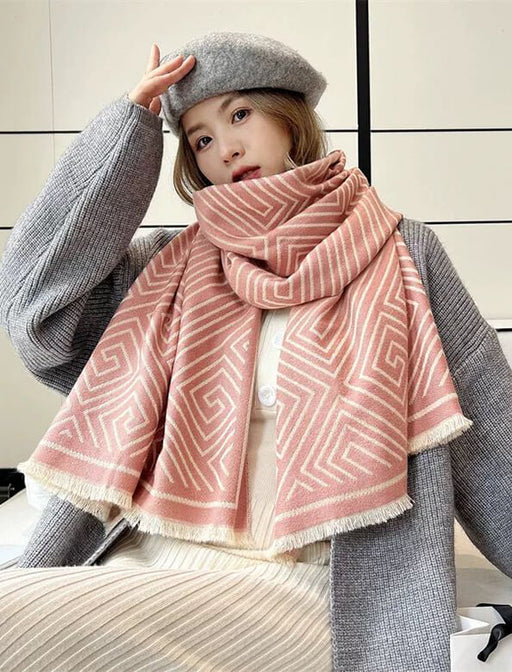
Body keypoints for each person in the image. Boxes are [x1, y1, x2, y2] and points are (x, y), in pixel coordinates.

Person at [0, 31, 510, 672]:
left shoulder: (403, 253)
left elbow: (492, 435)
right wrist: (125, 137)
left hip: (301, 582)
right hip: (141, 556)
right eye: (200, 139)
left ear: (288, 116)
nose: (226, 148)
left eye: (239, 114)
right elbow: (34, 311)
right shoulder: (167, 269)